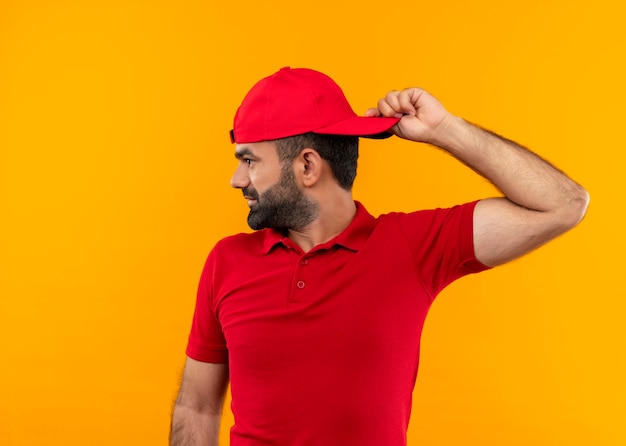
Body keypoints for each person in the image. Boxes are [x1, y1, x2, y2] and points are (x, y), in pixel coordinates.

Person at [169, 67, 589, 446]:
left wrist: (445, 129)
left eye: (249, 160)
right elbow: (197, 407)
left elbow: (563, 204)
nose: (236, 179)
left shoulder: (412, 246)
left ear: (308, 166)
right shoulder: (226, 261)